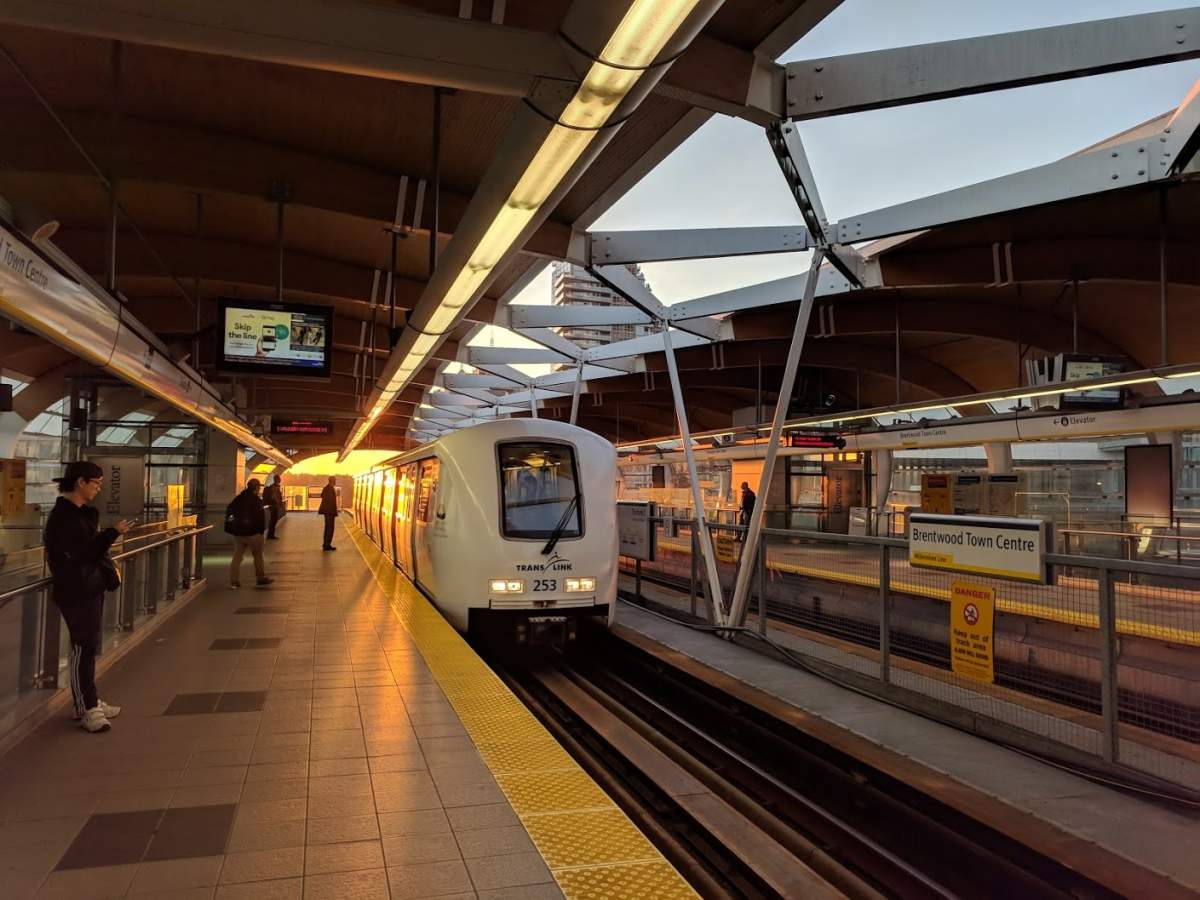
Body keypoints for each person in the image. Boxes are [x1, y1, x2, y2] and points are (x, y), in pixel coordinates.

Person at [43, 461, 135, 733]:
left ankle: (90, 699)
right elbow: (83, 553)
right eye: (95, 483)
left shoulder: (84, 513)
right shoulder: (62, 518)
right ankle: (85, 707)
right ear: (80, 482)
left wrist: (107, 535)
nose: (98, 488)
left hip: (91, 586)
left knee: (90, 646)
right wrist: (111, 533)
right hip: (75, 589)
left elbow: (90, 552)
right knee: (82, 647)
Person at [227, 479, 273, 588]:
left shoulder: (238, 499)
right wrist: (261, 531)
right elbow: (260, 517)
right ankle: (260, 578)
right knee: (257, 556)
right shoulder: (256, 500)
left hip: (239, 533)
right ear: (256, 488)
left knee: (237, 556)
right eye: (259, 487)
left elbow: (230, 510)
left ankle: (234, 581)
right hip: (254, 534)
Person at [319, 476, 339, 551]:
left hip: (327, 512)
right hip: (330, 512)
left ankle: (326, 544)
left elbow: (322, 496)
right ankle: (327, 545)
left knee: (327, 527)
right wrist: (334, 512)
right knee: (330, 528)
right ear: (333, 481)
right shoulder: (330, 489)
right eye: (335, 480)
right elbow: (331, 502)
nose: (335, 482)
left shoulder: (326, 488)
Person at [264, 476, 283, 540]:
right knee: (273, 520)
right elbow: (274, 496)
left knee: (274, 520)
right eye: (279, 479)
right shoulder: (273, 487)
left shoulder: (276, 487)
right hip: (273, 506)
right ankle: (270, 535)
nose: (280, 481)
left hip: (274, 506)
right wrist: (278, 502)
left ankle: (271, 534)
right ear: (277, 480)